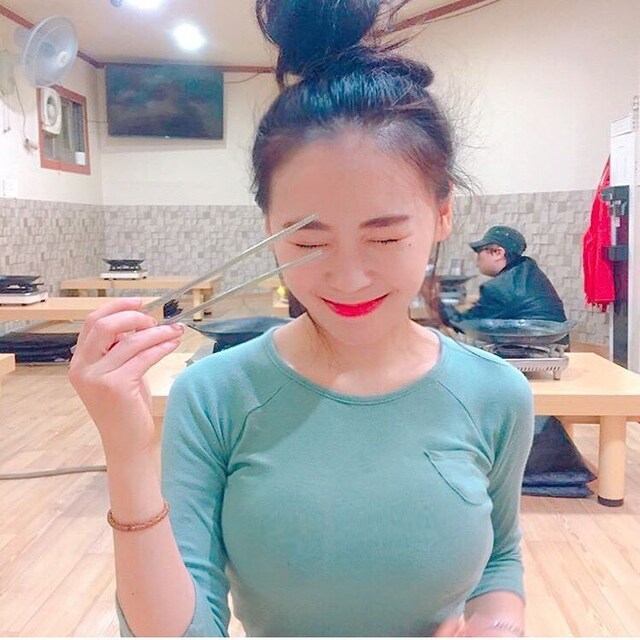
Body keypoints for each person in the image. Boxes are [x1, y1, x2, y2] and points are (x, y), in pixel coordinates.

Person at [69, 1, 534, 636]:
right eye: (308, 241)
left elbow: (500, 559)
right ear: (267, 225)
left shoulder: (497, 393)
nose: (349, 278)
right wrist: (125, 451)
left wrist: (498, 624)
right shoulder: (216, 395)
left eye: (385, 237)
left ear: (443, 214)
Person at [441, 225, 567, 327]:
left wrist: (437, 302)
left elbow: (463, 324)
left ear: (498, 253)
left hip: (529, 348)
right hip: (554, 345)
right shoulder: (528, 270)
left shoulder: (498, 288)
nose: (477, 260)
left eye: (479, 252)